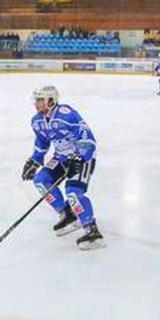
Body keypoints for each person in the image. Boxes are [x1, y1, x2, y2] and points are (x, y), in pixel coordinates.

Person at [21, 85, 103, 250]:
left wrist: (78, 157)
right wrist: (35, 160)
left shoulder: (67, 114)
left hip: (82, 158)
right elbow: (42, 142)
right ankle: (68, 213)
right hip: (61, 158)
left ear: (50, 101)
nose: (36, 103)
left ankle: (92, 231)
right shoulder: (37, 121)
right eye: (36, 100)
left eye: (40, 100)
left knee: (73, 192)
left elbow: (87, 138)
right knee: (41, 180)